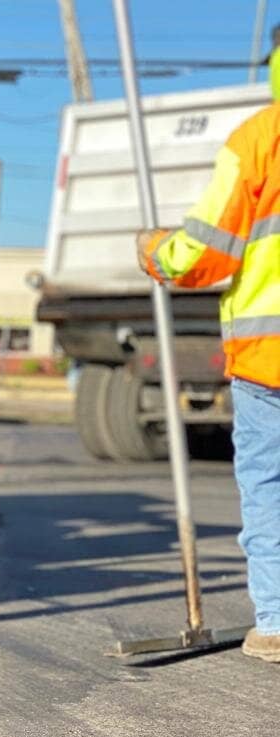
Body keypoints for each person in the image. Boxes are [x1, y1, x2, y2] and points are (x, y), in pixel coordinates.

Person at [137, 49, 280, 663]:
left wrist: (154, 252)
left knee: (268, 482)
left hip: (269, 356)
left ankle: (276, 622)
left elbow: (203, 250)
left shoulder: (262, 139)